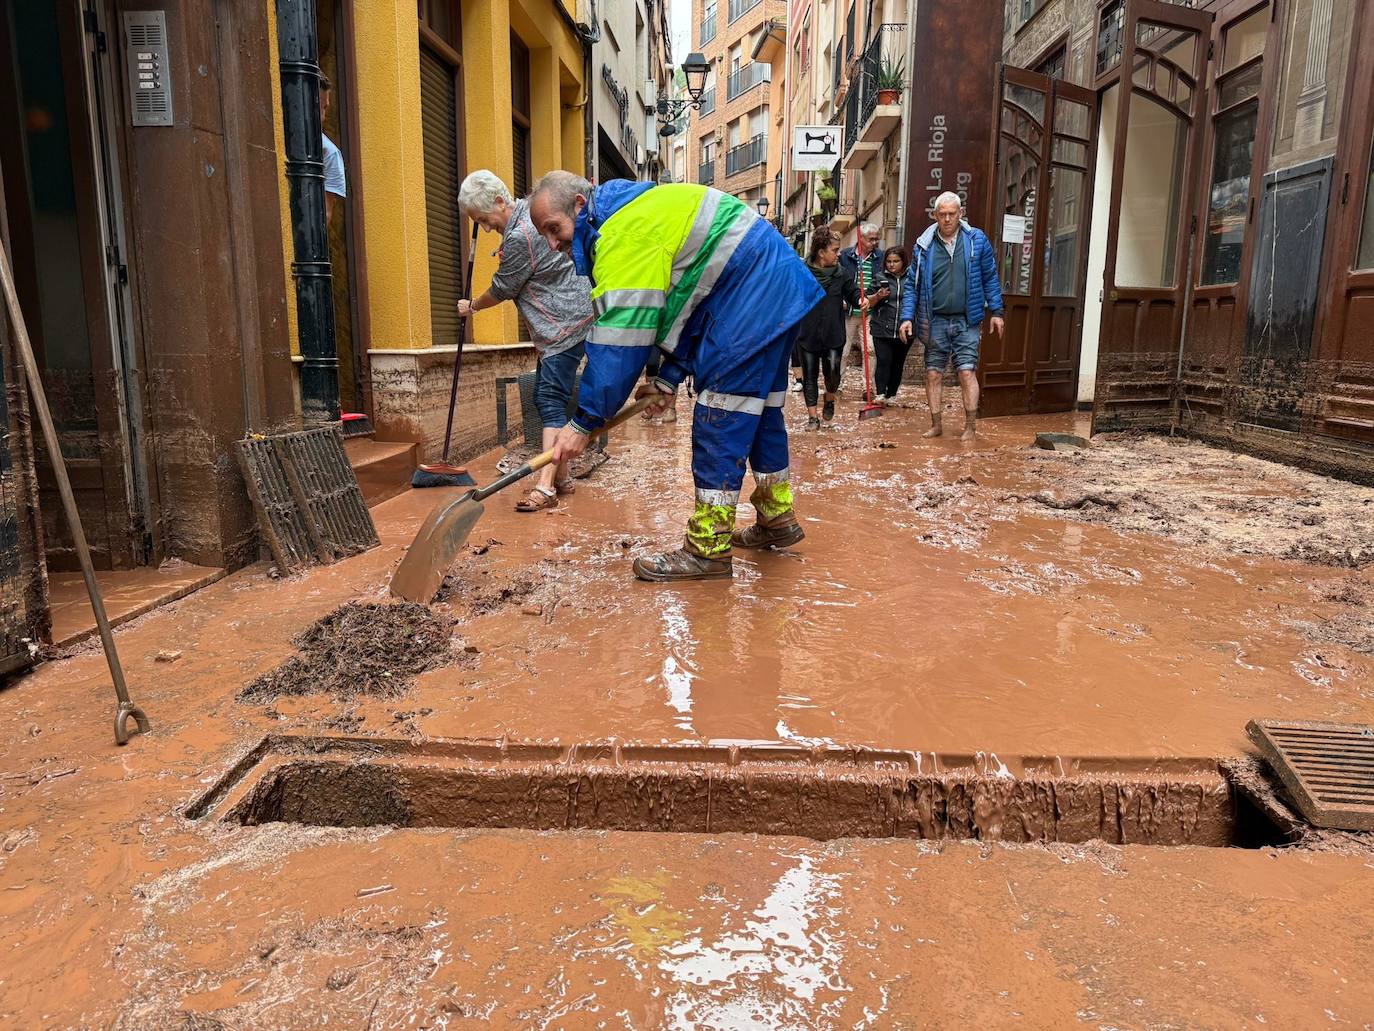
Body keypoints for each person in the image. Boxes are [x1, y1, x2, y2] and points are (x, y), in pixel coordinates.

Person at [527, 171, 823, 582]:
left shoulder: (621, 236)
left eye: (554, 229)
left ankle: (708, 549)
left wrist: (583, 422)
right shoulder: (636, 213)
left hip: (749, 300)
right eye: (544, 234)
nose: (553, 243)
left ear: (579, 206)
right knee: (761, 415)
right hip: (773, 289)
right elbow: (690, 300)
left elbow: (621, 342)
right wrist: (669, 377)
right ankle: (777, 516)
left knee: (721, 419)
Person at [456, 170, 594, 511]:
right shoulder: (532, 220)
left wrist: (471, 306)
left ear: (501, 201)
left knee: (549, 399)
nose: (485, 228)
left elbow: (504, 287)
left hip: (563, 327)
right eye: (478, 222)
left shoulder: (521, 235)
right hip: (573, 320)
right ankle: (561, 477)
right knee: (548, 396)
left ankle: (546, 487)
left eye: (485, 219)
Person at [899, 191, 1005, 441]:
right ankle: (936, 425)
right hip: (934, 320)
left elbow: (990, 277)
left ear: (961, 214)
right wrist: (906, 317)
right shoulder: (923, 246)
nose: (947, 219)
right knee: (933, 373)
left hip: (966, 320)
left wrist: (997, 312)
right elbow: (912, 285)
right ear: (935, 215)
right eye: (942, 214)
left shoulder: (976, 240)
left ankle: (970, 427)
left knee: (966, 372)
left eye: (951, 214)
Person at [796, 228, 865, 431]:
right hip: (807, 333)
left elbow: (852, 292)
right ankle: (812, 419)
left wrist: (860, 299)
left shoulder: (841, 273)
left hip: (833, 333)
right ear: (821, 252)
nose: (839, 253)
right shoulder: (802, 273)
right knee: (809, 376)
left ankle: (829, 398)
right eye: (835, 250)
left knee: (833, 372)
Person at [838, 222, 884, 396]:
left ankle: (868, 388)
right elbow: (839, 280)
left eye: (876, 239)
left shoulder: (880, 257)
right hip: (848, 311)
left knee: (870, 350)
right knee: (843, 350)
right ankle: (837, 385)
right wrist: (842, 299)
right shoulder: (845, 256)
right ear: (861, 238)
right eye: (871, 239)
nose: (875, 242)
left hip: (870, 312)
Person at [867, 246, 910, 405]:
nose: (892, 265)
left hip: (904, 329)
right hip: (881, 328)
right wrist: (878, 296)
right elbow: (867, 302)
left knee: (897, 363)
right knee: (883, 360)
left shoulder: (911, 278)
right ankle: (880, 394)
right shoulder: (879, 278)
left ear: (903, 262)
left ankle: (891, 394)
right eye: (889, 261)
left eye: (896, 261)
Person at [319, 76, 345, 225]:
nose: (323, 117)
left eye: (325, 108)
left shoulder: (329, 152)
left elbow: (326, 215)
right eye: (319, 107)